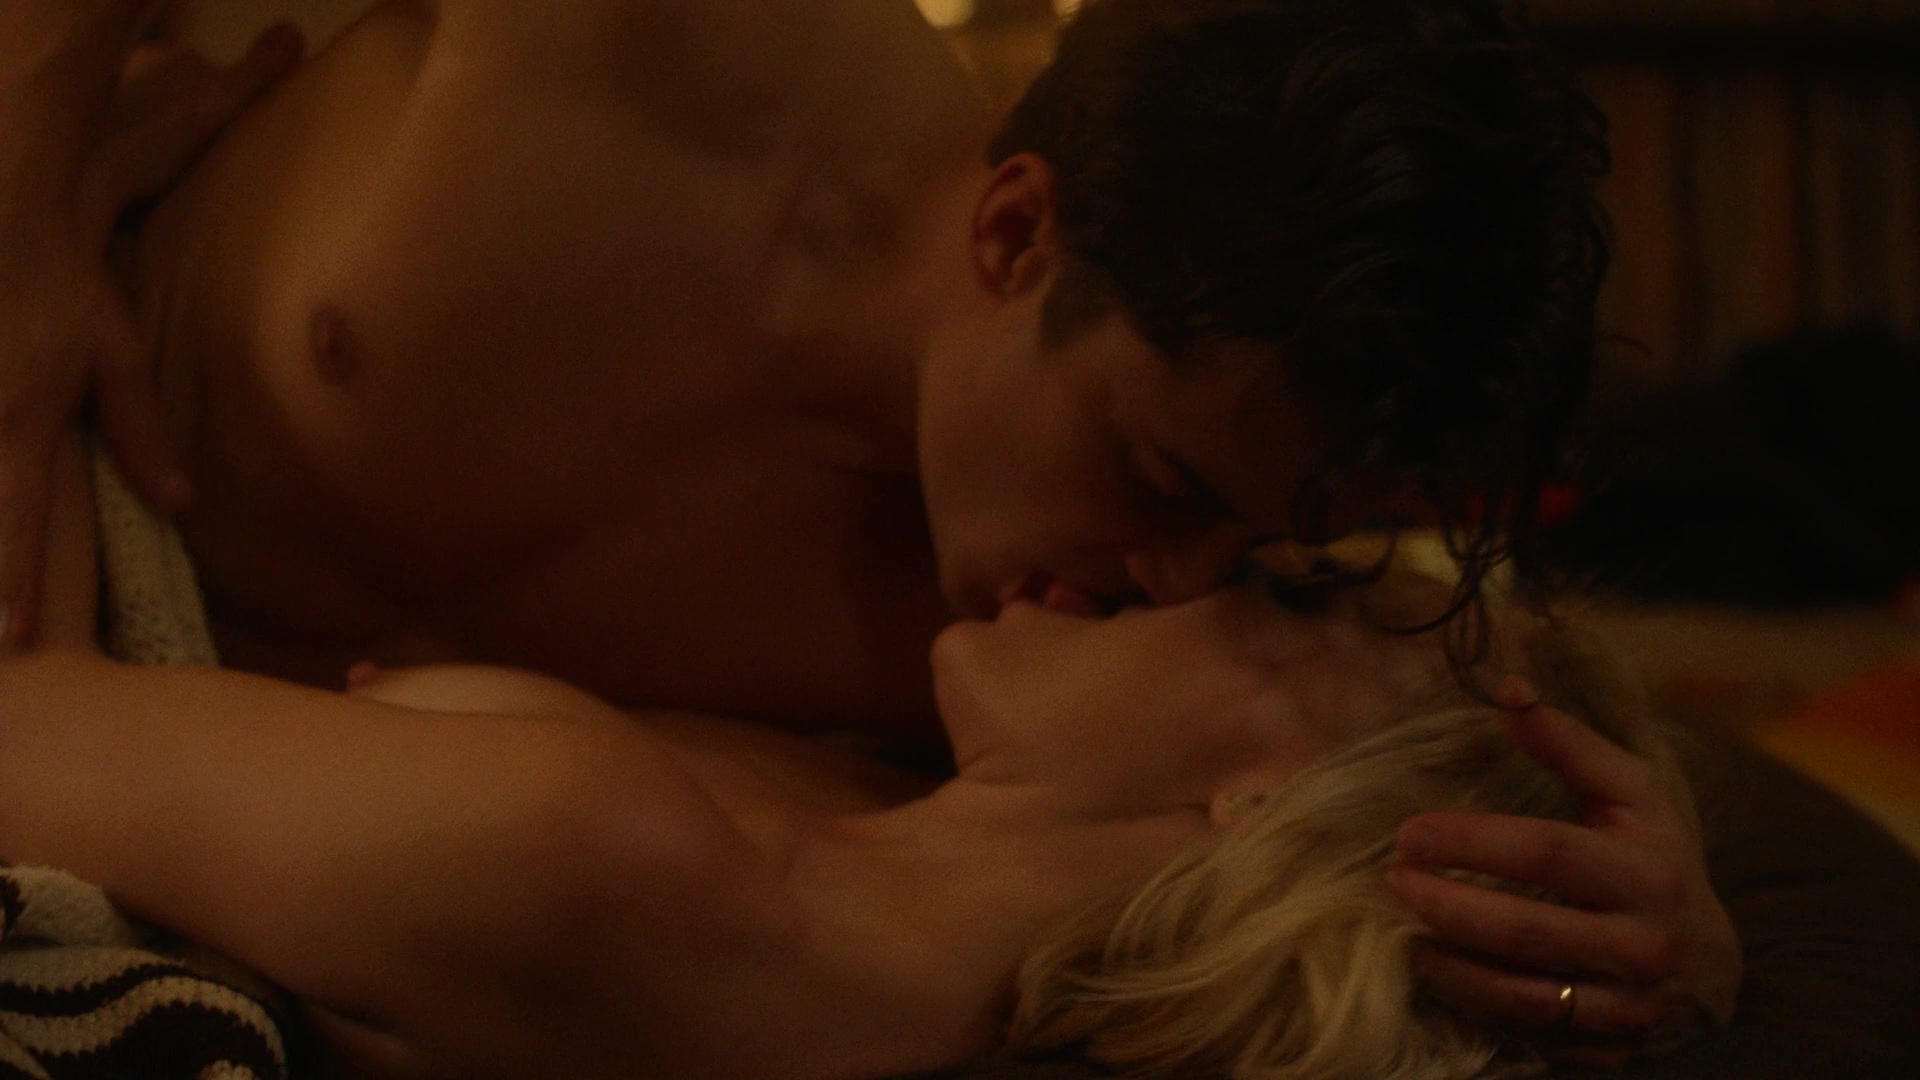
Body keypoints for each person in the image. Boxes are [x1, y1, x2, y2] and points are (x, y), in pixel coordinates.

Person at [0, 0, 1735, 1049]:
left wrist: (1685, 929)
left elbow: (1457, 731)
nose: (1180, 580)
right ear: (1015, 235)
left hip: (134, 750)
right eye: (1166, 481)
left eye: (1264, 551)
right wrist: (18, 194)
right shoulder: (676, 50)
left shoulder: (1096, 650)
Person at [1, 447, 1725, 1077]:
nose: (1175, 558)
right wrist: (1694, 957)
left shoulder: (615, 863)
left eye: (1278, 587)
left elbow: (31, 727)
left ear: (1268, 807)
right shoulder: (890, 816)